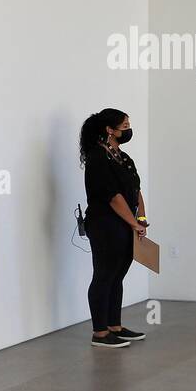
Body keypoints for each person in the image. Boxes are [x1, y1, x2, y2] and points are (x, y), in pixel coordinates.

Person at [80, 109, 148, 349]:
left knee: (117, 274)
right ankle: (99, 332)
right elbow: (113, 196)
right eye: (124, 125)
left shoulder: (123, 157)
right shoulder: (98, 157)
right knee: (104, 274)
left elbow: (135, 190)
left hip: (125, 223)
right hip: (105, 224)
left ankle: (114, 326)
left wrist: (141, 217)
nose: (128, 130)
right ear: (110, 129)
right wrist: (133, 223)